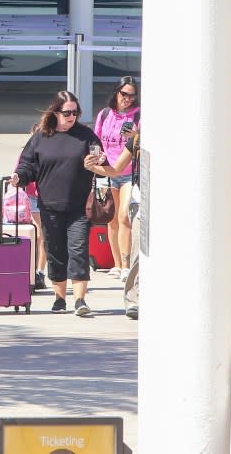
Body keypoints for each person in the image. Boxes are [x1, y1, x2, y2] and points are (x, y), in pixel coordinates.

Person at [10, 91, 102, 317]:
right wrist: (19, 177)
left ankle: (80, 299)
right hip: (49, 206)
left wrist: (99, 160)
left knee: (78, 250)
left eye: (75, 112)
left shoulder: (86, 135)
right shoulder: (41, 137)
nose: (72, 116)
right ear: (56, 112)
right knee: (55, 252)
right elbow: (27, 165)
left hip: (79, 206)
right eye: (67, 112)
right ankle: (60, 298)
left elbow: (102, 158)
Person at [85, 123, 142, 319]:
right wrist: (93, 167)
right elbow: (117, 169)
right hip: (142, 200)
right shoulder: (137, 140)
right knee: (138, 253)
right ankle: (133, 300)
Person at [93, 76, 141, 281]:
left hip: (128, 172)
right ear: (116, 92)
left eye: (132, 95)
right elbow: (96, 140)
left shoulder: (138, 115)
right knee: (110, 219)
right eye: (124, 94)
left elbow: (141, 143)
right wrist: (97, 157)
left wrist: (134, 136)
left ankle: (126, 263)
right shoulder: (105, 114)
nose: (127, 99)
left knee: (124, 217)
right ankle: (117, 264)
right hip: (107, 171)